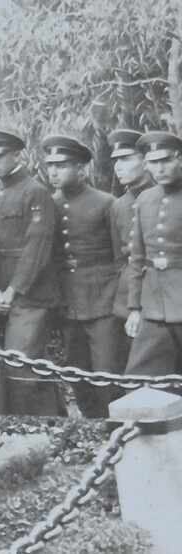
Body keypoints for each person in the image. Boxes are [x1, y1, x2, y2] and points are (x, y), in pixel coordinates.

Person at [0, 129, 61, 416]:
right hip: (2, 292)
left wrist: (13, 290)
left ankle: (39, 428)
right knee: (26, 365)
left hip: (30, 295)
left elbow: (36, 248)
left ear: (17, 155)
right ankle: (54, 424)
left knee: (21, 365)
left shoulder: (35, 191)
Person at [41, 135, 120, 418]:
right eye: (50, 165)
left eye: (61, 165)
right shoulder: (50, 203)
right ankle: (91, 425)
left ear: (81, 169)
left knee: (107, 371)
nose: (53, 172)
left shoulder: (105, 203)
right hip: (69, 302)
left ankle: (116, 425)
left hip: (103, 300)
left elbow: (120, 257)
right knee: (76, 370)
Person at [124, 131, 182, 377]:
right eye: (153, 162)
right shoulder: (145, 199)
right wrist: (135, 307)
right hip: (153, 305)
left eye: (166, 160)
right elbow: (137, 258)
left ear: (179, 158)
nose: (160, 168)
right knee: (140, 378)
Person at [108, 128, 149, 370]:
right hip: (128, 300)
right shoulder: (119, 206)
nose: (118, 167)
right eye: (116, 161)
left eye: (126, 159)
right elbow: (119, 258)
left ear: (146, 161)